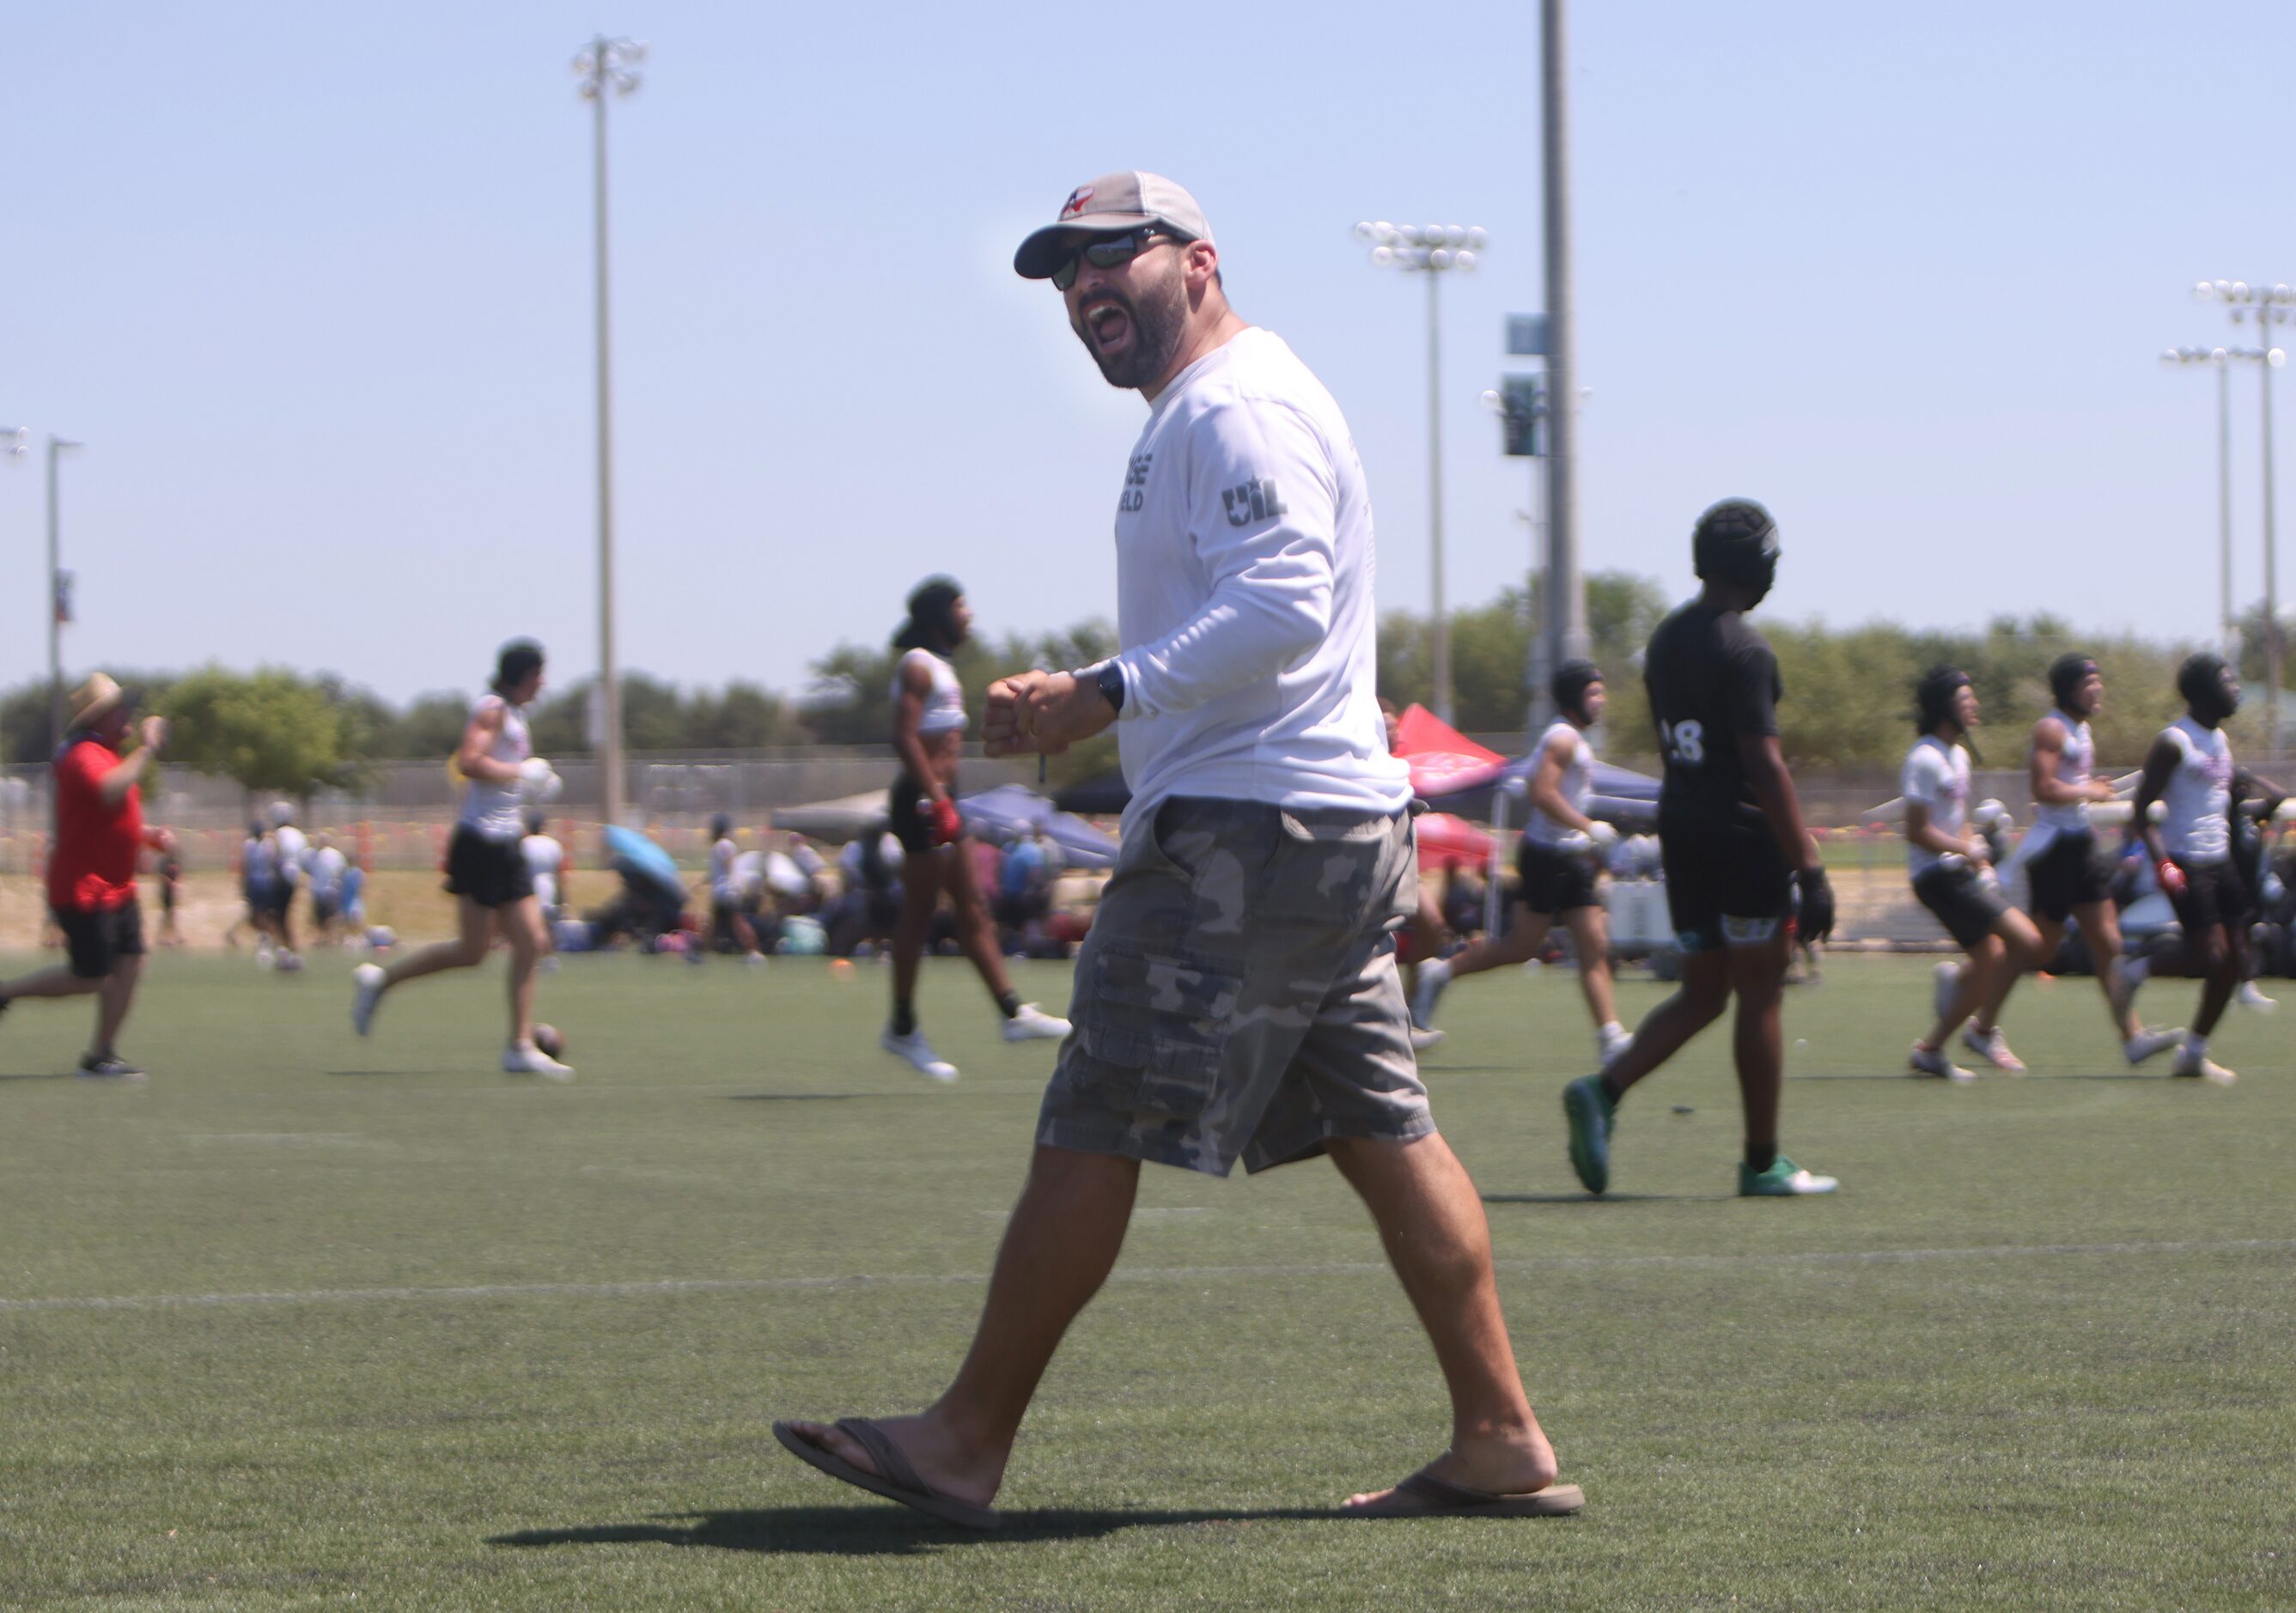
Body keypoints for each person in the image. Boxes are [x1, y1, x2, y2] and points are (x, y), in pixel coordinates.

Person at [777, 172, 1580, 1525]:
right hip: (1316, 821)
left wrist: (1103, 690)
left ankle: (967, 1438)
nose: (1084, 288)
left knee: (1094, 1113)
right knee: (1387, 1128)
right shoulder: (1199, 411)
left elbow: (1282, 601)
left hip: (1245, 830)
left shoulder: (1235, 404)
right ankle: (1500, 1432)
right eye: (1063, 274)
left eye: (1110, 258)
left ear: (1196, 260)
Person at [1562, 499, 1839, 1198]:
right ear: (1758, 566)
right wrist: (1807, 863)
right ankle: (1761, 1161)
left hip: (1680, 828)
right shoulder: (1745, 647)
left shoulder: (1666, 638)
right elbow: (1763, 764)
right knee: (1760, 995)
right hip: (1742, 840)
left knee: (1704, 992)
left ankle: (1603, 1090)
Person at [350, 640, 570, 1076]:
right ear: (524, 676)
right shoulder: (492, 710)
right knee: (476, 952)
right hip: (481, 842)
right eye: (539, 675)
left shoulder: (518, 717)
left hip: (507, 842)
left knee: (531, 943)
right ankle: (383, 981)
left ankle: (518, 1046)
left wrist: (527, 784)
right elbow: (469, 761)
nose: (544, 683)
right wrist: (521, 773)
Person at [880, 577, 1069, 1080]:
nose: (970, 615)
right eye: (961, 606)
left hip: (944, 801)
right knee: (920, 915)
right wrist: (938, 800)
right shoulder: (918, 665)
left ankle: (1012, 1014)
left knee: (973, 908)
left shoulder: (940, 666)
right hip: (923, 802)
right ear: (940, 613)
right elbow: (903, 737)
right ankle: (902, 1028)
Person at [1410, 661, 1632, 1067]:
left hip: (1573, 855)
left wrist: (1584, 836)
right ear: (1574, 697)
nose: (1601, 701)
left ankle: (1610, 1036)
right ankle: (1441, 972)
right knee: (1520, 947)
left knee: (1594, 946)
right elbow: (1541, 792)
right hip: (1548, 855)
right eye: (1594, 693)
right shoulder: (1561, 740)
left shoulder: (1574, 740)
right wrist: (1589, 825)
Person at [0, 675, 171, 1078]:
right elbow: (109, 791)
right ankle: (6, 992)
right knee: (91, 976)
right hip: (85, 888)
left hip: (117, 887)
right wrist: (147, 748)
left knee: (131, 963)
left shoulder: (109, 753)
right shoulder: (84, 754)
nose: (129, 715)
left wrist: (145, 836)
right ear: (101, 716)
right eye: (120, 708)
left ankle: (102, 1054)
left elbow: (105, 817)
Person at [2017, 654, 2182, 1065]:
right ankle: (1971, 995)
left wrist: (2089, 787)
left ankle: (2133, 1038)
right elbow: (2043, 787)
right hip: (2055, 849)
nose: (2098, 689)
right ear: (2068, 689)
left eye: (2098, 682)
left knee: (2109, 942)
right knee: (2040, 949)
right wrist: (2087, 791)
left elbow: (2069, 784)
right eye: (2089, 682)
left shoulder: (2082, 730)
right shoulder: (2052, 728)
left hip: (2080, 845)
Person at [2129, 654, 2283, 1084]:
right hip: (2184, 859)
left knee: (2234, 960)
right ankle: (2135, 970)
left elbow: (2237, 796)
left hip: (2221, 860)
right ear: (2201, 692)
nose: (2235, 688)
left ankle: (2193, 1052)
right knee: (2211, 957)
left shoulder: (2220, 741)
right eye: (2227, 681)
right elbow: (2141, 811)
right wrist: (2162, 862)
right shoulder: (2174, 741)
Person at [1898, 668, 2047, 1079]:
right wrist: (1966, 848)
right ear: (1945, 706)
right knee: (2021, 942)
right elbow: (1917, 830)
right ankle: (1971, 1034)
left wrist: (1978, 861)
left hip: (1958, 871)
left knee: (2001, 953)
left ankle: (1945, 1033)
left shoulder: (1958, 756)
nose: (1975, 706)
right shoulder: (1924, 758)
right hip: (1935, 876)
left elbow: (1956, 818)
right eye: (1966, 699)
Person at [702, 813, 764, 962]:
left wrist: (732, 884)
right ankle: (702, 953)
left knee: (738, 923)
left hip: (726, 892)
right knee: (713, 925)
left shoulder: (722, 844)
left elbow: (729, 864)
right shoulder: (722, 845)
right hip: (723, 891)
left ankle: (754, 953)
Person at [270, 801, 308, 971]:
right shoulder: (299, 835)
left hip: (281, 878)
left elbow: (272, 857)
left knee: (279, 918)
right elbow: (305, 858)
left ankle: (288, 953)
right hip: (295, 878)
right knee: (286, 917)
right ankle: (291, 953)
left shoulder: (278, 835)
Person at [307, 831, 349, 948]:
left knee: (321, 917)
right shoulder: (337, 855)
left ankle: (324, 938)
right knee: (330, 916)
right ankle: (329, 938)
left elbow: (311, 871)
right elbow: (343, 871)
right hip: (332, 890)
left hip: (319, 890)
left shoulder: (316, 856)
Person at [155, 837, 186, 947]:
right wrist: (171, 884)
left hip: (174, 892)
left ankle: (172, 937)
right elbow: (162, 876)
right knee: (168, 915)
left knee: (171, 915)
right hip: (165, 892)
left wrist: (179, 883)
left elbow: (180, 874)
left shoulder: (176, 861)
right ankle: (169, 938)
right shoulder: (164, 861)